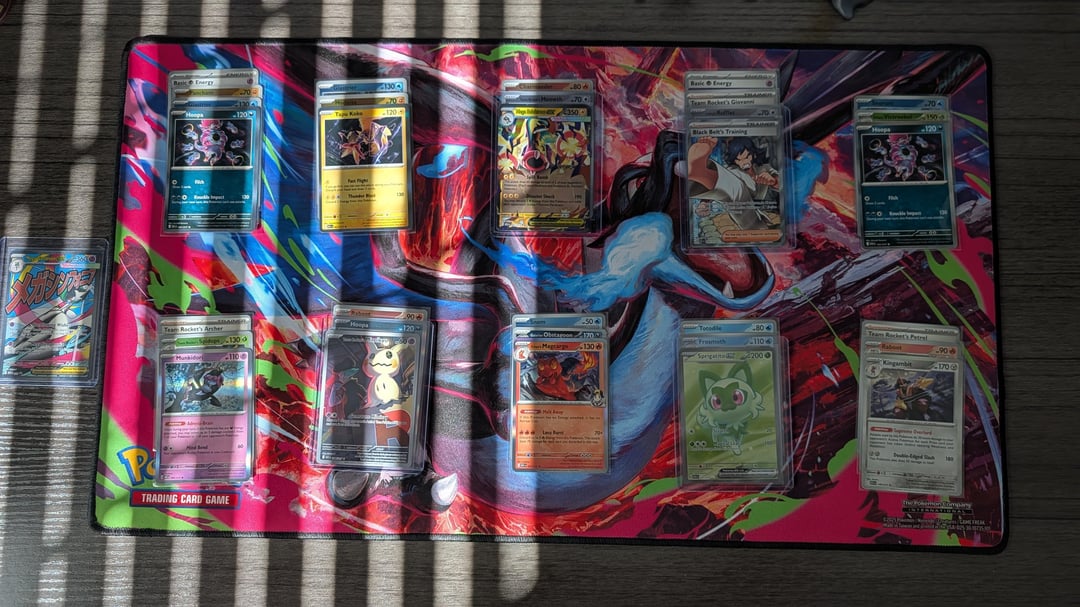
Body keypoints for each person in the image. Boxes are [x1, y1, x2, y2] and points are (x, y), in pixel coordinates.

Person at [687, 136, 780, 232]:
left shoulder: (763, 168)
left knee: (735, 189)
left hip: (757, 214)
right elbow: (724, 186)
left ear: (753, 154)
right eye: (738, 160)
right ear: (734, 160)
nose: (744, 162)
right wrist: (704, 204)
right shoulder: (733, 171)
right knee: (736, 188)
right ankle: (700, 171)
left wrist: (773, 181)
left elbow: (780, 183)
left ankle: (700, 172)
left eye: (747, 157)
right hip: (739, 213)